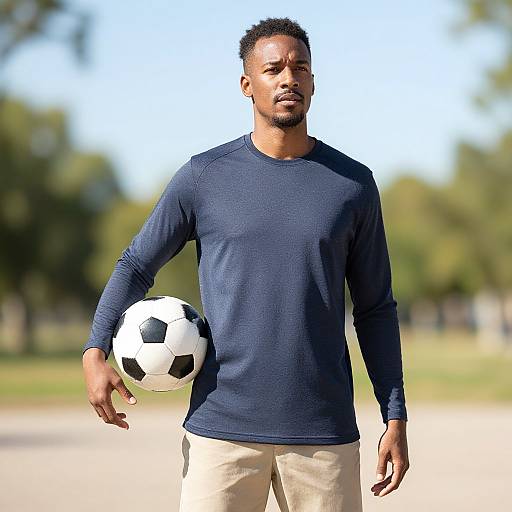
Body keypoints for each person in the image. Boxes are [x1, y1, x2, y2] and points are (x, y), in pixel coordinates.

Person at [82, 16, 410, 512]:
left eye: (300, 67)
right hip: (221, 432)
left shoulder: (353, 186)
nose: (288, 78)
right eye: (273, 68)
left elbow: (375, 309)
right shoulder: (203, 177)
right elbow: (135, 265)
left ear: (314, 82)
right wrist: (94, 350)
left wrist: (395, 414)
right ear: (246, 84)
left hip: (324, 435)